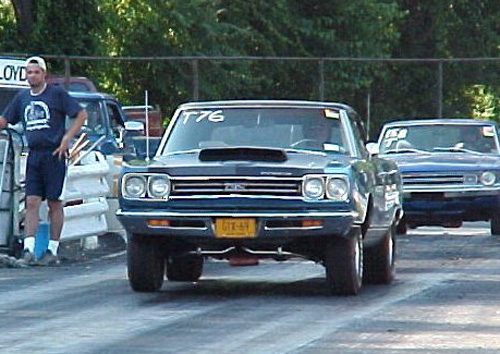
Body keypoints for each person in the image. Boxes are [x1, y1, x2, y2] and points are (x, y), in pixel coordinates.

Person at [0, 56, 87, 266]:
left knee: (55, 202)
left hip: (54, 153)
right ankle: (28, 248)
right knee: (31, 201)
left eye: (36, 72)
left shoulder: (56, 94)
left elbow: (81, 114)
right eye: (29, 72)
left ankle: (52, 249)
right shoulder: (22, 98)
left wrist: (67, 138)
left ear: (44, 74)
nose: (32, 76)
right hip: (34, 154)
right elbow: (5, 120)